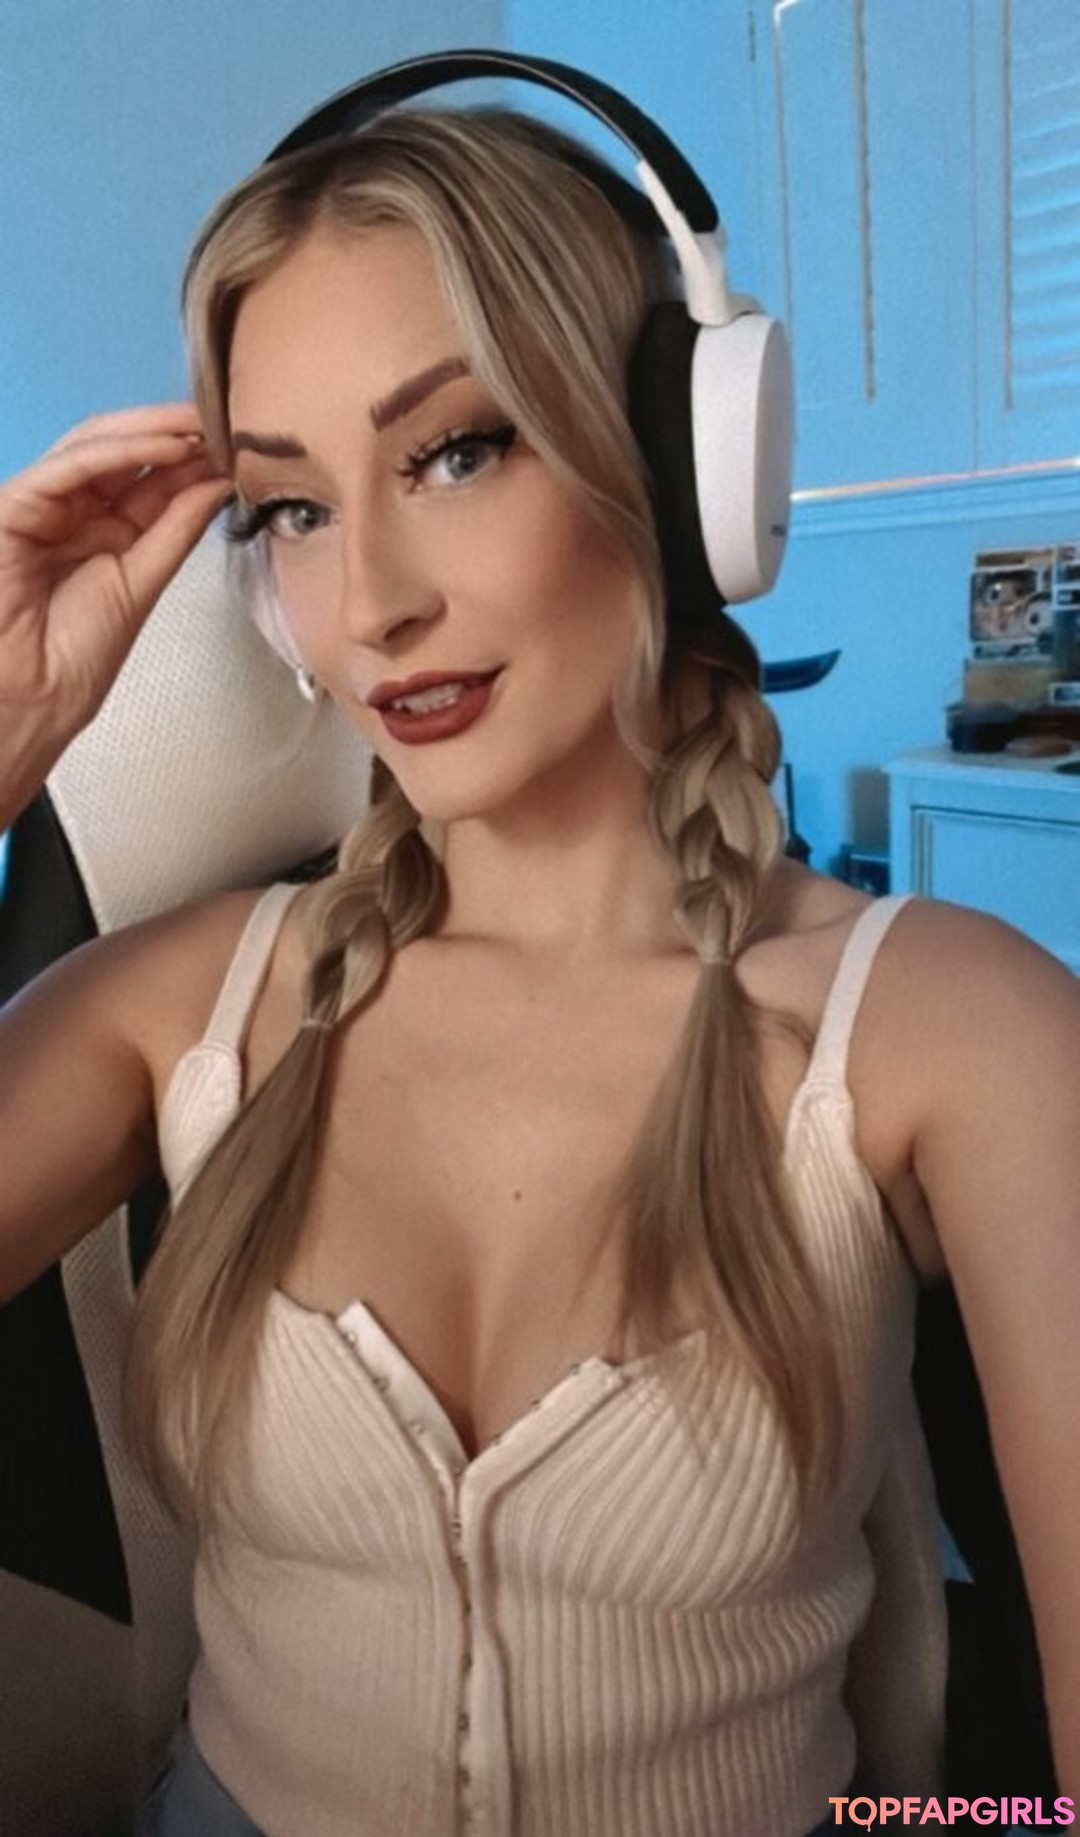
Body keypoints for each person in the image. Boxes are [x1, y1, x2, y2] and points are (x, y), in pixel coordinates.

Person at [1, 61, 1078, 1837]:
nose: (374, 603)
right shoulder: (181, 1005)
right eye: (294, 508)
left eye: (455, 451)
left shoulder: (959, 1031)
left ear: (682, 457)